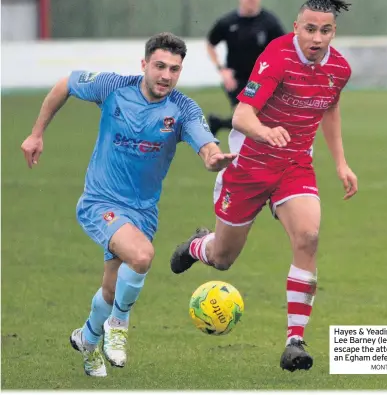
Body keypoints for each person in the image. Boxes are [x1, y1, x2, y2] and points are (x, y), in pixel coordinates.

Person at [20, 32, 236, 377]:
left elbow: (205, 142)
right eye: (160, 66)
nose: (166, 75)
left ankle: (88, 339)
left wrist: (213, 158)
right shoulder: (113, 87)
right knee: (142, 255)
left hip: (142, 212)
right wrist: (36, 132)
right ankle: (118, 326)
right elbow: (66, 84)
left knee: (112, 286)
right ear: (144, 65)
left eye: (174, 69)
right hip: (99, 201)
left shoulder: (182, 108)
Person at [170, 0, 358, 372]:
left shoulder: (339, 69)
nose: (317, 38)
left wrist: (341, 163)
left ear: (333, 32)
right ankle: (197, 247)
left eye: (325, 31)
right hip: (250, 165)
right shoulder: (277, 55)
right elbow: (241, 116)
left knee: (308, 237)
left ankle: (295, 341)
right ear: (296, 28)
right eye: (310, 29)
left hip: (294, 166)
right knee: (223, 259)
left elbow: (331, 108)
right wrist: (265, 132)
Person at [206, 0, 286, 136]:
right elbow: (210, 44)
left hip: (260, 79)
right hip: (236, 79)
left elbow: (283, 48)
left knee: (248, 120)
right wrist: (222, 70)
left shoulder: (269, 22)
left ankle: (218, 123)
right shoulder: (228, 22)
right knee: (246, 119)